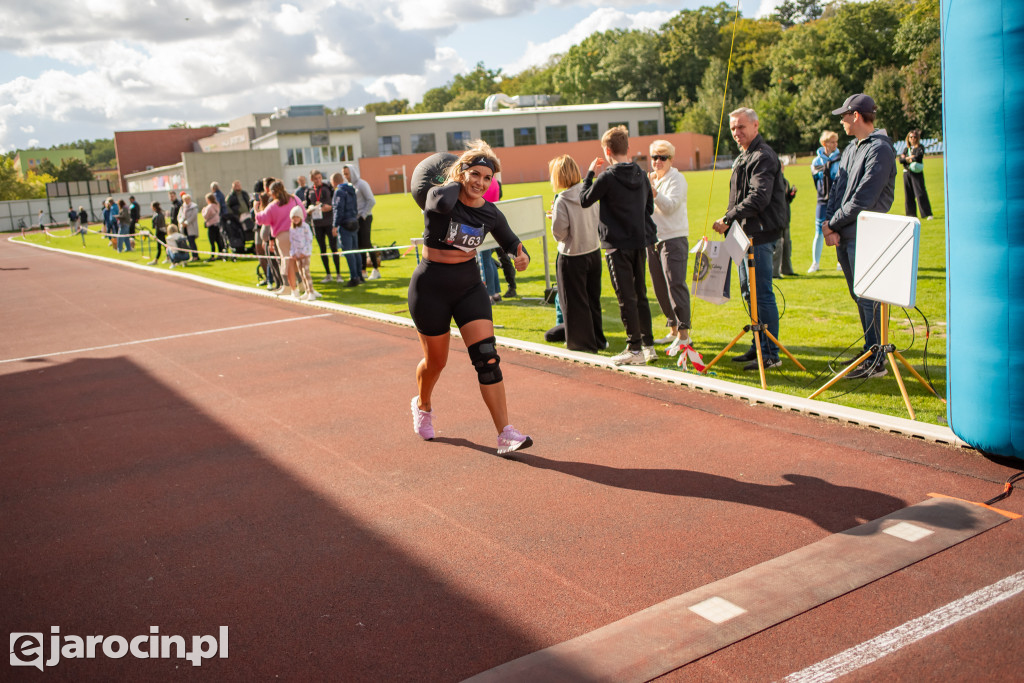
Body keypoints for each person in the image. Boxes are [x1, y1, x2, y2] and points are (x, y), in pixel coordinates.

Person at [409, 141, 532, 456]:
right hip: (430, 288)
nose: (480, 182)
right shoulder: (441, 197)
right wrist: (456, 176)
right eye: (474, 173)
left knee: (487, 357)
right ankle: (422, 404)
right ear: (460, 172)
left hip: (468, 288)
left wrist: (521, 255)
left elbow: (512, 242)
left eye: (487, 177)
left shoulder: (490, 213)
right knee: (436, 361)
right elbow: (439, 204)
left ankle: (506, 433)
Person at [822, 93, 897, 380]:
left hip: (866, 233)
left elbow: (865, 197)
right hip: (846, 232)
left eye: (844, 115)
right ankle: (870, 349)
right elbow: (838, 189)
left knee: (869, 298)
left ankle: (877, 359)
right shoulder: (852, 148)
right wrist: (830, 223)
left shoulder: (880, 148)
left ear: (856, 116)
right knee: (858, 295)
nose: (841, 120)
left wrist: (833, 223)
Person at [712, 107, 788, 371]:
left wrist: (728, 217)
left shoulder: (763, 155)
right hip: (742, 233)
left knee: (762, 292)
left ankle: (770, 353)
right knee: (748, 292)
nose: (736, 132)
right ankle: (758, 345)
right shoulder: (744, 155)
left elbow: (759, 197)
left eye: (741, 127)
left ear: (756, 126)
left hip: (760, 234)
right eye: (733, 128)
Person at [579, 125, 658, 366]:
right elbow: (649, 208)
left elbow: (584, 199)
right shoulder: (641, 174)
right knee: (640, 293)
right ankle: (648, 345)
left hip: (616, 244)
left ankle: (634, 348)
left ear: (607, 150)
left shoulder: (608, 177)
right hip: (639, 240)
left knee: (625, 296)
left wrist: (590, 173)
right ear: (628, 148)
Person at [548, 154, 606, 353]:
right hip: (593, 251)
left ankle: (581, 343)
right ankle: (598, 339)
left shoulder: (562, 199)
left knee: (572, 302)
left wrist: (553, 218)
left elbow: (560, 233)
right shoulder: (589, 191)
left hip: (572, 256)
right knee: (592, 299)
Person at [647, 139, 693, 355]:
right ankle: (673, 330)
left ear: (670, 159)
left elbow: (671, 207)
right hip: (654, 239)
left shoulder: (677, 179)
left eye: (662, 157)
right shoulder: (652, 179)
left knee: (675, 285)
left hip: (674, 238)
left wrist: (654, 192)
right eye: (654, 157)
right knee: (659, 287)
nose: (657, 161)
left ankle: (685, 334)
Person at [255, 180, 304, 296]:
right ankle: (301, 284)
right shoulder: (294, 199)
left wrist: (257, 210)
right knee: (297, 259)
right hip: (297, 231)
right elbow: (303, 213)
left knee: (285, 260)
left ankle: (287, 286)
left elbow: (262, 219)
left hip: (283, 235)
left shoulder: (273, 205)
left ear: (272, 192)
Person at [809, 130, 841, 273]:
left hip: (837, 201)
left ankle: (841, 261)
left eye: (836, 142)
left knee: (839, 229)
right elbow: (817, 181)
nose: (835, 144)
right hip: (822, 201)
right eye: (832, 142)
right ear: (824, 143)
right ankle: (815, 263)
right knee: (819, 232)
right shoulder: (816, 161)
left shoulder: (841, 158)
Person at [344, 165, 381, 280]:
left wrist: (363, 215)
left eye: (347, 173)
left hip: (365, 218)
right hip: (356, 219)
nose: (346, 176)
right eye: (344, 174)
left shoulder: (362, 184)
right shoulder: (350, 186)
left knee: (366, 243)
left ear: (352, 172)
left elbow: (371, 200)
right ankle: (363, 270)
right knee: (360, 245)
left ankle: (376, 269)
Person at [305, 170, 341, 283]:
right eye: (315, 178)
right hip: (317, 224)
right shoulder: (309, 191)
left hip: (329, 222)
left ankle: (338, 274)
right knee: (322, 249)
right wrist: (309, 210)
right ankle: (328, 274)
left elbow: (335, 204)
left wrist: (329, 207)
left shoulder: (328, 188)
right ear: (311, 179)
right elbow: (306, 208)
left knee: (334, 248)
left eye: (320, 178)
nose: (318, 180)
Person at [330, 171, 361, 286]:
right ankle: (359, 275)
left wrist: (335, 225)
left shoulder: (339, 192)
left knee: (348, 252)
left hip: (345, 224)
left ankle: (354, 277)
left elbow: (338, 209)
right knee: (355, 250)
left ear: (333, 182)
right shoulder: (351, 189)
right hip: (354, 221)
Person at [899, 130, 933, 219]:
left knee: (920, 193)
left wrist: (907, 158)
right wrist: (910, 158)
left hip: (916, 173)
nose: (913, 138)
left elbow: (918, 157)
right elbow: (900, 160)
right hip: (907, 173)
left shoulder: (920, 147)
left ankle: (927, 214)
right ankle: (911, 215)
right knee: (908, 195)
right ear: (908, 138)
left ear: (917, 138)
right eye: (911, 137)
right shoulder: (906, 149)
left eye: (914, 137)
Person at [288, 204, 319, 300]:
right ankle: (306, 290)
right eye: (294, 217)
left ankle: (311, 291)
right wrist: (292, 253)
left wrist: (304, 252)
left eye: (297, 217)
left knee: (306, 272)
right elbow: (292, 242)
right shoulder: (292, 229)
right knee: (301, 274)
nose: (296, 219)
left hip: (305, 254)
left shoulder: (305, 227)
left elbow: (309, 240)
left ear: (301, 217)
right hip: (297, 255)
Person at [772, 179, 799, 278]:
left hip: (785, 217)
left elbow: (786, 199)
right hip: (776, 218)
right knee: (777, 246)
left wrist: (791, 194)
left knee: (787, 245)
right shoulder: (772, 180)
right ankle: (774, 272)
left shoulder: (784, 181)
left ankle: (786, 269)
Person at [202, 193, 225, 260]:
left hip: (211, 225)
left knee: (212, 241)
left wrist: (203, 210)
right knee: (218, 240)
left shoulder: (209, 207)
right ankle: (221, 254)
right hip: (217, 224)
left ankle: (212, 255)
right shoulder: (217, 205)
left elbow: (205, 216)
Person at [177, 193, 200, 261]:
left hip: (191, 227)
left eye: (187, 199)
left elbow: (193, 216)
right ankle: (189, 256)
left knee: (192, 242)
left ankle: (195, 256)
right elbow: (179, 216)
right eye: (184, 199)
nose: (186, 201)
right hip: (184, 228)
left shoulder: (193, 207)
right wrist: (181, 222)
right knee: (186, 242)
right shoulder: (182, 207)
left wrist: (186, 223)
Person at [148, 201, 167, 265]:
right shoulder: (158, 214)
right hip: (162, 231)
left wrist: (156, 235)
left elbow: (158, 226)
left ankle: (156, 260)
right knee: (165, 246)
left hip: (160, 232)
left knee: (161, 247)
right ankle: (168, 258)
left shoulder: (158, 215)